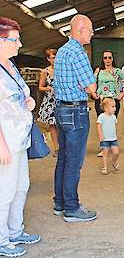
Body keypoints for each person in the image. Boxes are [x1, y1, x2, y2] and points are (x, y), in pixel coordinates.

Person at [0, 17, 41, 257]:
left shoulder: (10, 66)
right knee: (4, 191)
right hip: (6, 142)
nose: (20, 44)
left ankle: (15, 230)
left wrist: (29, 101)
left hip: (20, 138)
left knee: (21, 187)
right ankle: (1, 240)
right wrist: (2, 145)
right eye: (15, 39)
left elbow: (18, 96)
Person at [53, 14, 98, 223]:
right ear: (80, 29)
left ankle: (60, 202)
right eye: (90, 30)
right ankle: (72, 208)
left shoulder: (61, 51)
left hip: (61, 108)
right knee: (73, 162)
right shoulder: (78, 52)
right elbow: (92, 87)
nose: (92, 33)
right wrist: (88, 85)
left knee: (63, 158)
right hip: (75, 111)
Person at [95, 50, 124, 118]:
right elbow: (92, 83)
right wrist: (93, 94)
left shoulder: (117, 71)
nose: (107, 59)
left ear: (112, 59)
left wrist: (122, 94)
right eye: (105, 58)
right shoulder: (98, 70)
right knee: (101, 123)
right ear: (102, 59)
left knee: (111, 123)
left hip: (113, 100)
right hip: (101, 100)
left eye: (109, 57)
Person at [38, 48, 58, 157]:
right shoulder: (45, 72)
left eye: (56, 57)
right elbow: (40, 87)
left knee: (61, 124)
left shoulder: (62, 70)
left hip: (61, 99)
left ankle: (63, 146)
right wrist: (48, 88)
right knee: (52, 125)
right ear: (48, 59)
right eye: (52, 58)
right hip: (50, 101)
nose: (54, 60)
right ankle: (56, 147)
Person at [96, 98, 120, 175]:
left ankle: (114, 161)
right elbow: (99, 126)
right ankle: (105, 167)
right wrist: (100, 136)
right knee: (105, 153)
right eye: (112, 107)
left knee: (116, 152)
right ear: (106, 108)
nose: (115, 108)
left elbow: (115, 126)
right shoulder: (101, 117)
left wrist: (116, 135)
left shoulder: (113, 117)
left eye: (115, 106)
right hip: (105, 139)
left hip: (113, 138)